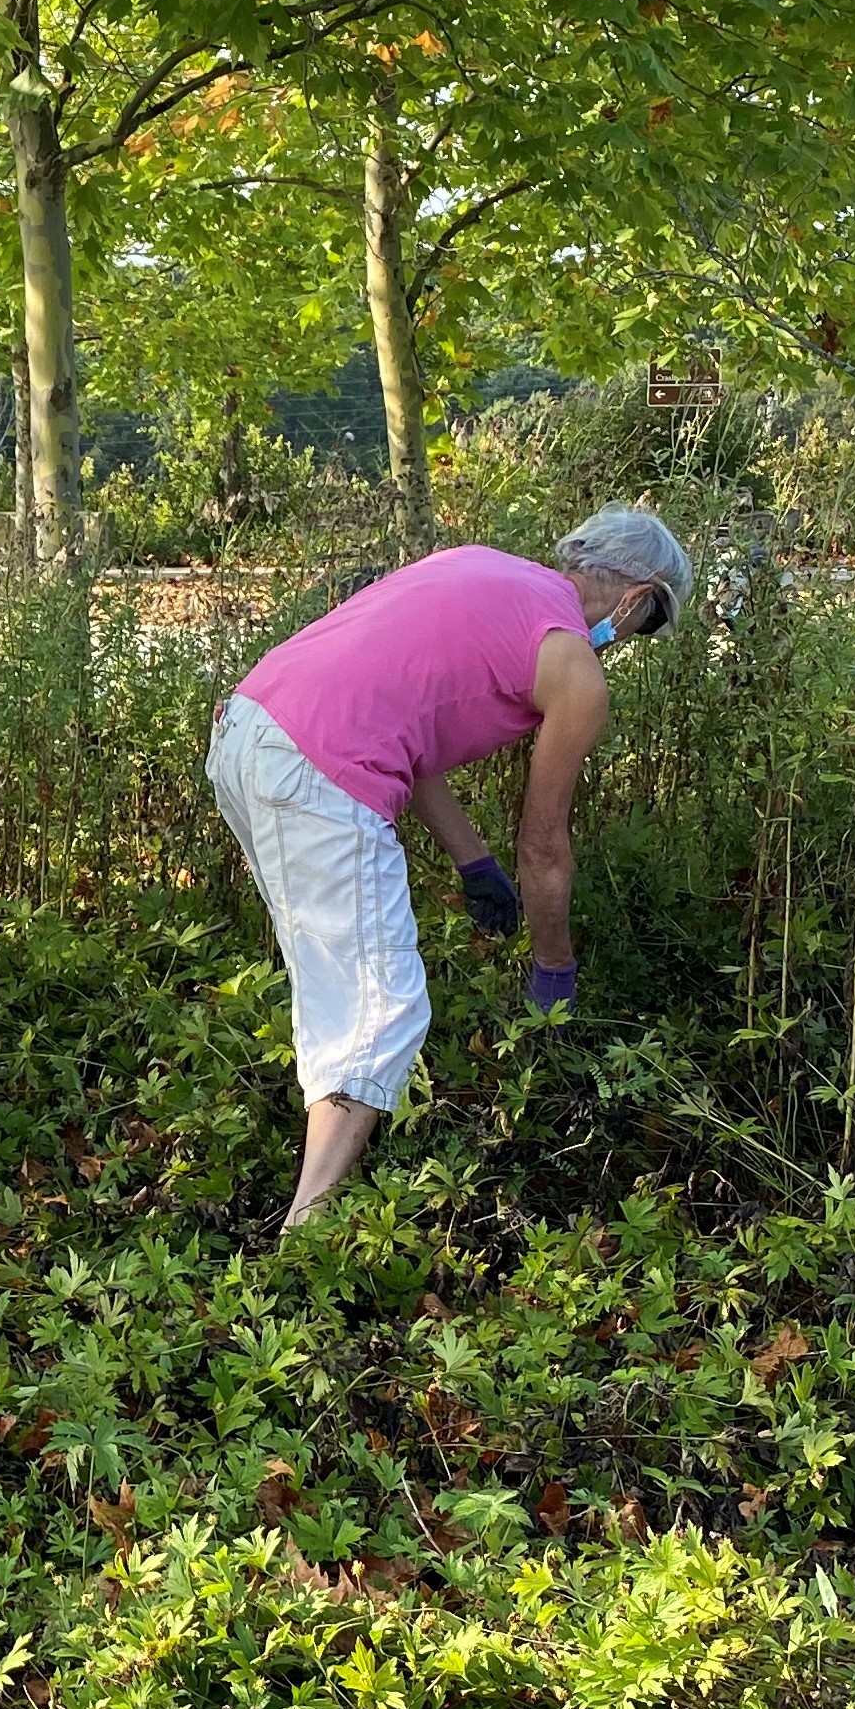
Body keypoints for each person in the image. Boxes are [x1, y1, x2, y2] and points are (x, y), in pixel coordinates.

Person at [208, 506, 693, 1233]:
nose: (635, 641)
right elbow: (546, 847)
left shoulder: (476, 565)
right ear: (636, 596)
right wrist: (553, 973)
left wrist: (473, 861)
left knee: (335, 988)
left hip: (246, 731)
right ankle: (306, 1239)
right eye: (651, 624)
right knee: (379, 1013)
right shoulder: (575, 669)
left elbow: (405, 722)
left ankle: (306, 1178)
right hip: (315, 773)